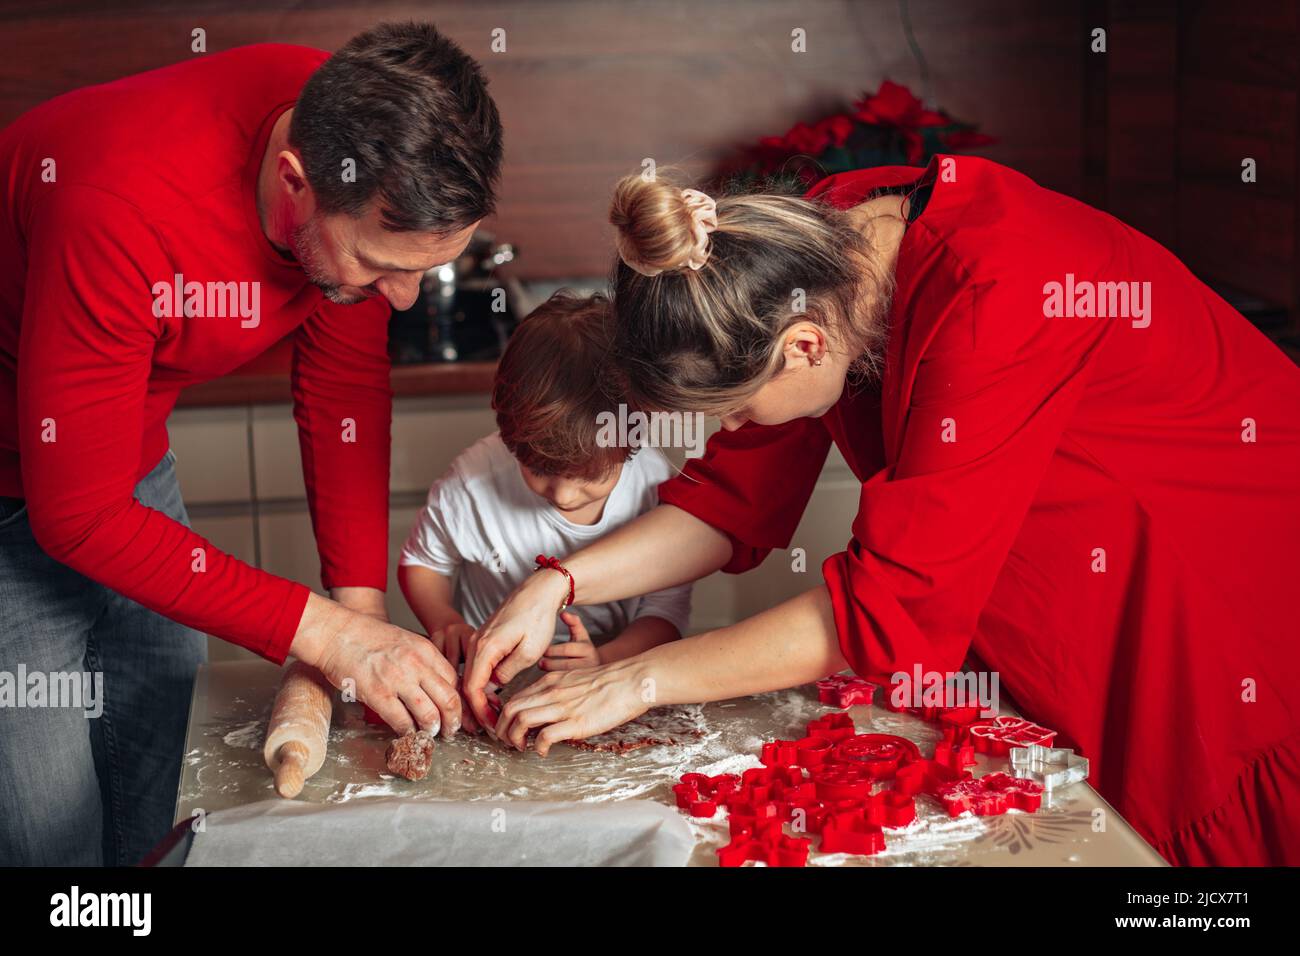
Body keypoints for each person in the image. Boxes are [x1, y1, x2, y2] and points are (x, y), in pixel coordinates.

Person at [464, 155, 1300, 866]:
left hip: (1218, 584)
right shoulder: (810, 254)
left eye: (741, 413)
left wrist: (635, 681)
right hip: (1072, 570)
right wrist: (558, 583)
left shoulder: (999, 293)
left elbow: (888, 607)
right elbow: (731, 497)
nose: (736, 432)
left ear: (804, 349)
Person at [0, 22, 501, 865]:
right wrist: (328, 637)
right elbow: (77, 518)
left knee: (156, 718)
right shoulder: (118, 209)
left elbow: (341, 391)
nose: (406, 300)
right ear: (294, 183)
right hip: (18, 482)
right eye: (382, 267)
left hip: (123, 448)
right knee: (49, 821)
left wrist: (360, 613)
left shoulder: (365, 133)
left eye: (431, 268)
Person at [398, 292, 690, 695]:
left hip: (609, 671)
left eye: (589, 476)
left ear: (632, 441)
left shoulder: (655, 485)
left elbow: (665, 612)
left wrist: (605, 660)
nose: (564, 495)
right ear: (509, 435)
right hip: (490, 675)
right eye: (539, 470)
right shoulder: (471, 481)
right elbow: (423, 563)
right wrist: (444, 620)